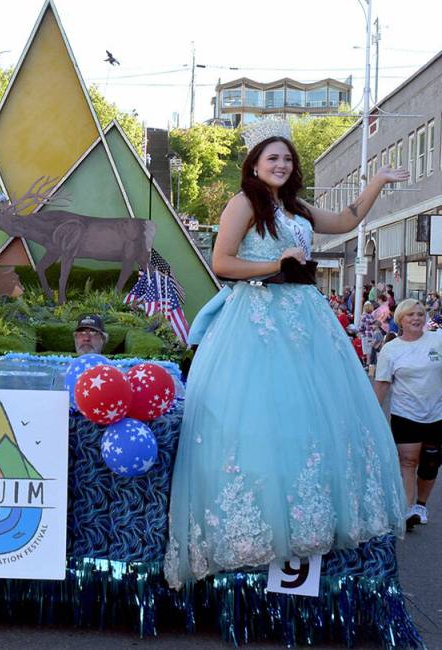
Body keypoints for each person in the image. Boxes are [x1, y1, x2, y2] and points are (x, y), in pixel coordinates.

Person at [163, 119, 410, 586]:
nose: (281, 164)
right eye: (272, 157)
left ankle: (308, 517)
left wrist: (376, 182)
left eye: (287, 158)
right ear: (254, 164)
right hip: (256, 317)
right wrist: (274, 265)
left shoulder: (295, 207)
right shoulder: (244, 204)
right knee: (257, 413)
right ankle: (257, 524)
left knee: (309, 414)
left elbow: (347, 220)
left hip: (305, 320)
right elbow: (222, 261)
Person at [373, 299, 442, 530]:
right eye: (410, 315)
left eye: (420, 314)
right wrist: (373, 413)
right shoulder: (391, 349)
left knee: (430, 465)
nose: (416, 319)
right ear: (400, 319)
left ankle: (421, 504)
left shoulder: (437, 339)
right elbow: (382, 384)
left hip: (435, 414)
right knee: (408, 461)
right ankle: (408, 510)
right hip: (404, 414)